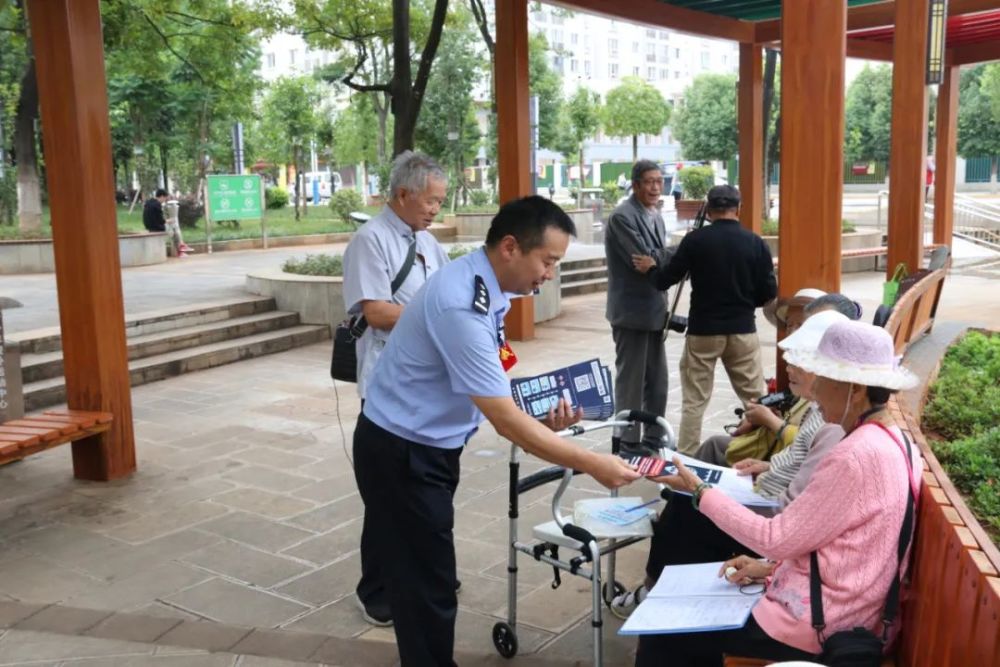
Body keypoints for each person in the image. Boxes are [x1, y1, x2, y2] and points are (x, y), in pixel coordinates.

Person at [354, 196, 641, 667]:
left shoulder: (482, 284)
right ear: (510, 247)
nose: (549, 273)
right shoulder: (462, 305)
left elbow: (494, 390)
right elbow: (505, 420)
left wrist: (541, 418)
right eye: (547, 260)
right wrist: (594, 463)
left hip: (423, 446)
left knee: (424, 575)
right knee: (428, 586)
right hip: (402, 453)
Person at [638, 321, 921, 666]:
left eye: (825, 380)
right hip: (852, 612)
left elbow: (775, 538)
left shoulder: (854, 456)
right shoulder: (897, 442)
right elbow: (840, 547)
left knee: (664, 627)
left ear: (856, 388)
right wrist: (771, 570)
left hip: (819, 624)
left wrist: (700, 492)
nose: (816, 394)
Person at [610, 305, 854, 619]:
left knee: (687, 511)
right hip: (771, 507)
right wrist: (766, 468)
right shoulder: (826, 410)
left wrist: (707, 495)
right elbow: (803, 468)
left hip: (774, 522)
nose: (789, 367)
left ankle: (654, 592)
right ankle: (657, 589)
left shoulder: (833, 424)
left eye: (802, 361)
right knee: (691, 495)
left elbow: (787, 522)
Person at [342, 150, 451, 628]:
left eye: (441, 202)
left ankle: (425, 570)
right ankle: (377, 588)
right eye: (430, 200)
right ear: (403, 194)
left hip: (427, 383)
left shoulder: (428, 243)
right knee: (386, 493)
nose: (435, 210)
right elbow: (375, 311)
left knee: (423, 487)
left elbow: (448, 293)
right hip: (386, 383)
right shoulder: (371, 240)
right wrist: (441, 320)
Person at [637, 184, 777, 454]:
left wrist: (651, 268)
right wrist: (746, 302)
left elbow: (666, 279)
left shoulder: (695, 240)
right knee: (755, 399)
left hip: (703, 331)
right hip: (742, 330)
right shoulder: (755, 242)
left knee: (694, 402)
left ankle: (688, 458)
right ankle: (763, 451)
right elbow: (768, 293)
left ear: (709, 210)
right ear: (739, 208)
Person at [604, 160, 675, 456]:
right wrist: (671, 255)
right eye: (649, 182)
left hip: (655, 312)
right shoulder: (623, 217)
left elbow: (657, 258)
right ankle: (627, 443)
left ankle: (654, 436)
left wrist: (664, 257)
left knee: (658, 382)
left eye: (659, 181)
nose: (655, 187)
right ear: (635, 185)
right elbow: (641, 259)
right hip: (631, 313)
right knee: (631, 382)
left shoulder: (656, 215)